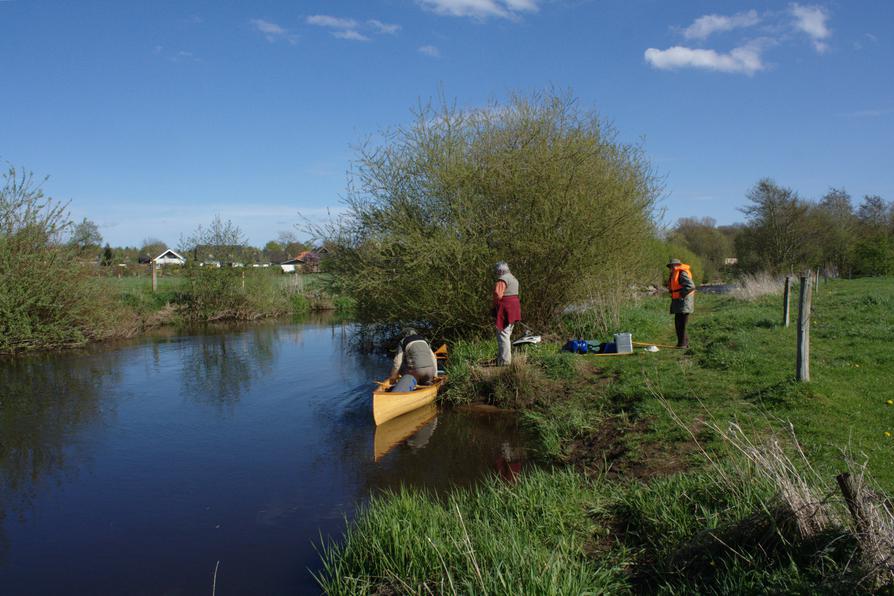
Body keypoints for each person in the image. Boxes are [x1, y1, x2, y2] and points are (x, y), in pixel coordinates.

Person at [388, 328, 438, 392]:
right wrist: (435, 375)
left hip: (416, 372)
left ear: (405, 335)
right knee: (425, 380)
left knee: (403, 366)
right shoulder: (425, 340)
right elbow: (433, 358)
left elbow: (397, 362)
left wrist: (393, 378)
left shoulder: (403, 341)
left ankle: (404, 386)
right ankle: (427, 383)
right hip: (430, 372)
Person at [492, 261, 521, 365]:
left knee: (503, 334)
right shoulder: (513, 278)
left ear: (500, 270)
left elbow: (497, 294)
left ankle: (505, 361)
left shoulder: (502, 279)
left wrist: (495, 306)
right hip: (514, 307)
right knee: (507, 333)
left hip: (505, 307)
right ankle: (502, 359)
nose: (496, 273)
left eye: (496, 271)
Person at [666, 258, 695, 348]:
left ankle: (682, 344)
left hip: (684, 301)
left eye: (672, 266)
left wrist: (681, 294)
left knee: (681, 324)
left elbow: (690, 286)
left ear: (677, 265)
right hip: (679, 301)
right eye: (670, 266)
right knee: (678, 323)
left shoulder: (682, 273)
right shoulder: (674, 273)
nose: (671, 268)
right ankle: (682, 343)